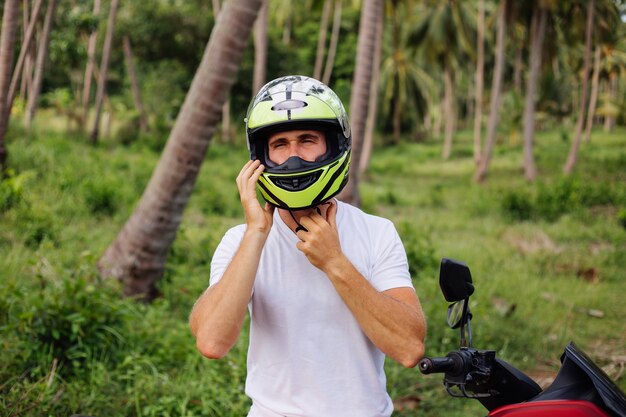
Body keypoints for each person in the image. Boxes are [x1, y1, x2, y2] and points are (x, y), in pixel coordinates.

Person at [189, 75, 426, 417]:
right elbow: (211, 342)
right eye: (280, 145)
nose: (294, 157)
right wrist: (256, 234)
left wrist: (335, 262)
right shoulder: (239, 241)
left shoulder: (377, 233)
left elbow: (408, 348)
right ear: (261, 157)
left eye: (307, 140)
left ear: (333, 144)